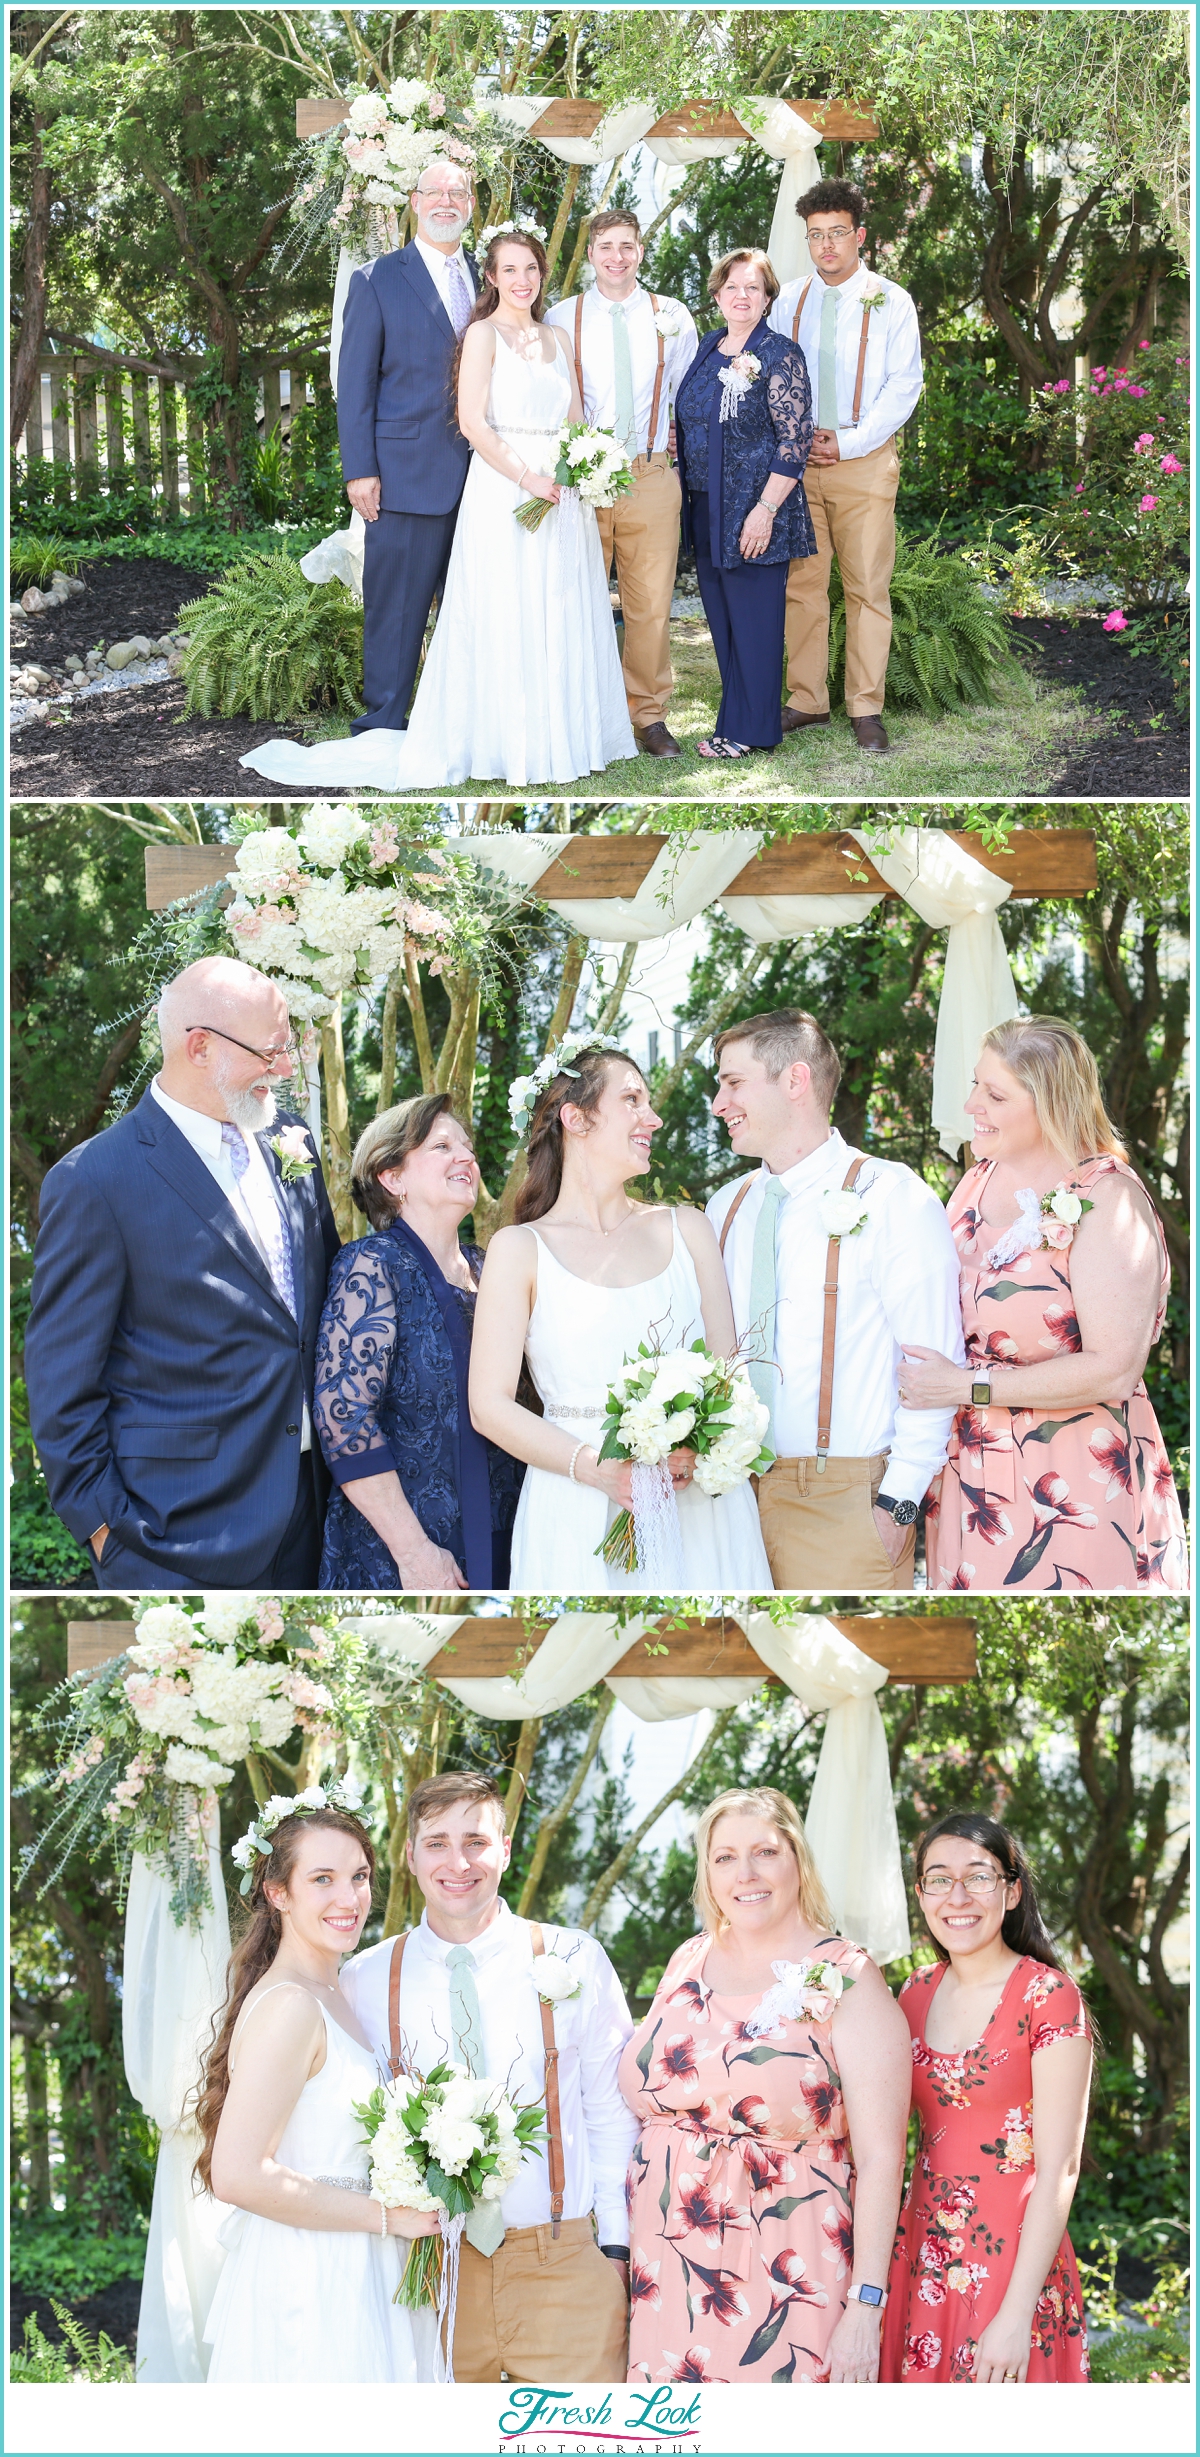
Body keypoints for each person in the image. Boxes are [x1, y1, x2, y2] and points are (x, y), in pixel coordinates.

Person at [240, 227, 635, 792]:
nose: (522, 280)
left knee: (555, 605)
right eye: (510, 270)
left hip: (559, 496)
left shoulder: (557, 339)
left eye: (532, 269)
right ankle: (491, 735)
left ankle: (557, 731)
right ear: (492, 278)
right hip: (507, 486)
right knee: (498, 609)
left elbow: (574, 416)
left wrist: (585, 465)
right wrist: (528, 478)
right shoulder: (480, 334)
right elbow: (472, 421)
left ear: (542, 276)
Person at [25, 957, 340, 1590]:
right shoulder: (95, 1181)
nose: (284, 1068)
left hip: (315, 1514)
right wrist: (108, 1533)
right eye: (269, 1051)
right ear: (199, 1047)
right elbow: (61, 1387)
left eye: (287, 1047)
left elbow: (319, 1303)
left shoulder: (289, 1137)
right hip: (175, 1534)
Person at [340, 1771, 637, 2385]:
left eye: (476, 1840)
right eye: (438, 1842)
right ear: (411, 1855)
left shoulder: (573, 1957)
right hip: (428, 2276)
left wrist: (614, 2248)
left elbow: (610, 2111)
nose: (459, 1862)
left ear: (504, 1848)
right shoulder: (364, 1980)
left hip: (563, 2266)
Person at [620, 1786, 910, 2385]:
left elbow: (884, 2157)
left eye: (765, 1852)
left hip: (787, 2269)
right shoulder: (688, 1960)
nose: (745, 1873)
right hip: (667, 2269)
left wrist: (867, 2303)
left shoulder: (847, 1976)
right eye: (724, 1857)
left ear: (797, 1859)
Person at [468, 1040, 773, 1590]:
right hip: (575, 1505)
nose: (652, 1118)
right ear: (576, 1119)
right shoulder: (519, 1248)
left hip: (696, 1505)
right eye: (632, 1099)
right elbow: (488, 1407)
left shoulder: (689, 1231)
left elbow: (731, 1377)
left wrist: (696, 1441)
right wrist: (596, 1469)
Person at [906, 1017, 1188, 1592]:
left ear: (1051, 1102)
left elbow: (1114, 1367)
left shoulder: (1109, 1201)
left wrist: (966, 1387)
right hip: (970, 1477)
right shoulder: (974, 1182)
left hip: (1075, 1481)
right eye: (976, 1085)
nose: (971, 1104)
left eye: (995, 1094)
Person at [707, 1009, 964, 1589]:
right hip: (727, 1499)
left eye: (733, 1083)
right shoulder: (725, 1207)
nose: (718, 1104)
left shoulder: (893, 1197)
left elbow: (934, 1366)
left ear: (794, 1081)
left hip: (846, 1503)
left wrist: (898, 1505)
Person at [195, 1794, 435, 2382]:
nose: (348, 1898)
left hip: (359, 2261)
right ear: (279, 1893)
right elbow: (239, 2174)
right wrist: (388, 2217)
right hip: (312, 2276)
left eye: (358, 1877)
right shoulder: (292, 2007)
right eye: (322, 1879)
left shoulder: (338, 1995)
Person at [881, 1813, 1093, 2384]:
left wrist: (1017, 2311)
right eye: (938, 1878)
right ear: (920, 1894)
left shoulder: (1048, 1996)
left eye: (978, 1876)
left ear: (1012, 1889)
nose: (958, 1896)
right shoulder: (913, 1994)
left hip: (1014, 2267)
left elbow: (1061, 2167)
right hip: (920, 2254)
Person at [313, 1095, 524, 1592]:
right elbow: (343, 1418)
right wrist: (414, 1553)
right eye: (442, 1146)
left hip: (506, 1533)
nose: (466, 1158)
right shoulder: (371, 1265)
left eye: (468, 1148)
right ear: (392, 1177)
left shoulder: (491, 1267)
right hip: (407, 1556)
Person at [770, 179, 924, 754]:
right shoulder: (788, 300)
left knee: (866, 589)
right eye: (816, 236)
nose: (826, 245)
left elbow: (904, 384)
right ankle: (806, 700)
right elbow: (773, 376)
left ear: (859, 235)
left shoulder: (892, 299)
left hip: (863, 464)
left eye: (837, 233)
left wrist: (853, 442)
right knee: (803, 587)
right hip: (798, 467)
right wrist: (792, 443)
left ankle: (866, 708)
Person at [546, 208, 698, 757]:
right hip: (583, 477)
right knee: (574, 598)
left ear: (640, 251)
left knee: (651, 605)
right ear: (590, 255)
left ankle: (649, 716)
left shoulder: (673, 315)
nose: (617, 257)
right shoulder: (562, 316)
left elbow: (688, 392)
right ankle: (578, 709)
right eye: (606, 246)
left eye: (627, 246)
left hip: (652, 473)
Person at [338, 160, 477, 739]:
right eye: (435, 192)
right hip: (402, 474)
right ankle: (384, 722)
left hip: (484, 476)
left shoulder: (488, 277)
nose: (446, 201)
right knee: (395, 611)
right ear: (414, 202)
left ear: (471, 204)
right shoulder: (376, 279)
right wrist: (360, 470)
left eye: (458, 192)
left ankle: (457, 722)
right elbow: (355, 383)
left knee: (472, 609)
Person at [673, 248, 814, 759]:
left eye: (753, 288)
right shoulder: (710, 347)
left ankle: (751, 732)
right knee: (724, 620)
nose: (741, 296)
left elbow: (794, 443)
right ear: (717, 295)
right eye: (732, 286)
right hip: (706, 505)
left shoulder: (781, 354)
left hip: (756, 507)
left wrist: (765, 510)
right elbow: (695, 414)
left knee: (754, 620)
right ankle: (733, 722)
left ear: (768, 298)